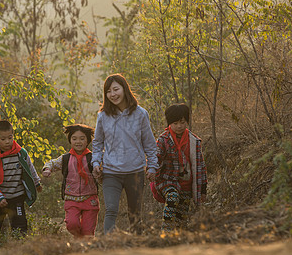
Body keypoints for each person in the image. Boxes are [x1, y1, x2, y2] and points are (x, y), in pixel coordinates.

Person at [92, 73, 158, 234]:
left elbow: (149, 143)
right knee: (111, 209)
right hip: (110, 172)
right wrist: (95, 162)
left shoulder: (141, 114)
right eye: (108, 91)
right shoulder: (103, 116)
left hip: (135, 171)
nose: (113, 94)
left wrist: (152, 166)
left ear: (124, 89)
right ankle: (106, 245)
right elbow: (97, 142)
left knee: (135, 213)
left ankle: (136, 245)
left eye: (116, 89)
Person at [0, 120, 42, 240]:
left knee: (20, 226)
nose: (7, 142)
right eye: (3, 139)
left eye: (10, 138)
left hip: (17, 196)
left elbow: (30, 169)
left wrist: (36, 183)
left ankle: (19, 248)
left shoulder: (21, 153)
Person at [155, 103, 208, 232]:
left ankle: (178, 241)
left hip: (187, 183)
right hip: (167, 180)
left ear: (186, 122)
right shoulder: (163, 140)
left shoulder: (194, 141)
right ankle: (165, 232)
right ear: (169, 124)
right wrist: (151, 168)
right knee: (172, 196)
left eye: (182, 122)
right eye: (175, 123)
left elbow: (200, 165)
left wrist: (203, 189)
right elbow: (155, 157)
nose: (179, 126)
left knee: (181, 218)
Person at [42, 124, 99, 238]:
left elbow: (101, 171)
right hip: (71, 199)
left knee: (88, 231)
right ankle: (78, 238)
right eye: (74, 138)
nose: (78, 142)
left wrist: (99, 172)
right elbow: (52, 163)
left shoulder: (93, 158)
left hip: (90, 199)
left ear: (88, 140)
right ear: (70, 140)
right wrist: (47, 169)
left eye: (82, 138)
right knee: (71, 224)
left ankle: (85, 250)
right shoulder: (66, 158)